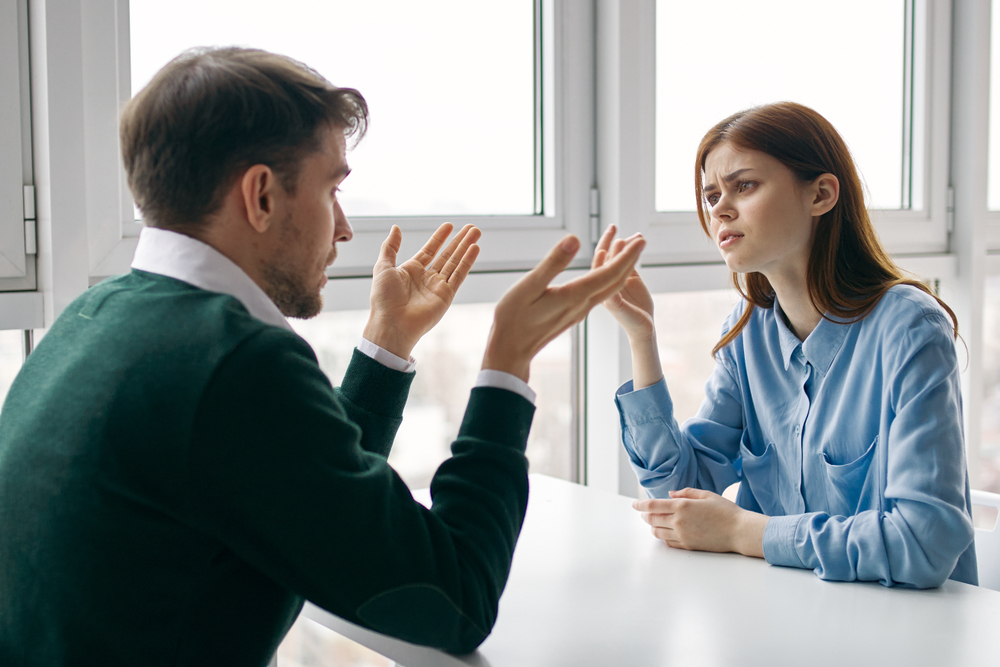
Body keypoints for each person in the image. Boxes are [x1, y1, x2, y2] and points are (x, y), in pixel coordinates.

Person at [0, 47, 646, 664]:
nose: (342, 226)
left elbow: (305, 504)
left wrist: (386, 344)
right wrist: (509, 361)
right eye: (332, 187)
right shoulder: (233, 360)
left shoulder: (95, 318)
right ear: (260, 195)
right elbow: (453, 599)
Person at [595, 101, 977, 589]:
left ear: (820, 195)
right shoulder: (748, 329)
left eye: (744, 185)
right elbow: (680, 496)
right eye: (711, 195)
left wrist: (743, 531)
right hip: (782, 618)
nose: (720, 210)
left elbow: (925, 543)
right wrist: (642, 337)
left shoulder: (909, 327)